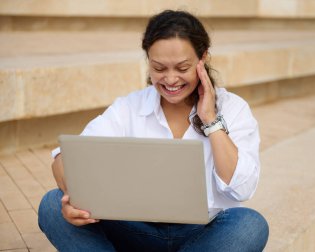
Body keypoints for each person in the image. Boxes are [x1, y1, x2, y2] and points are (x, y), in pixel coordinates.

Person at [38, 10, 269, 252]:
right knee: (53, 205)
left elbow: (242, 188)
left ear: (203, 59)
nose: (170, 80)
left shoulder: (234, 109)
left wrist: (210, 120)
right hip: (134, 228)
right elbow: (64, 159)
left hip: (203, 234)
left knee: (250, 225)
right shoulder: (129, 107)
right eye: (159, 68)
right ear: (148, 61)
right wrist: (71, 197)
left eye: (182, 68)